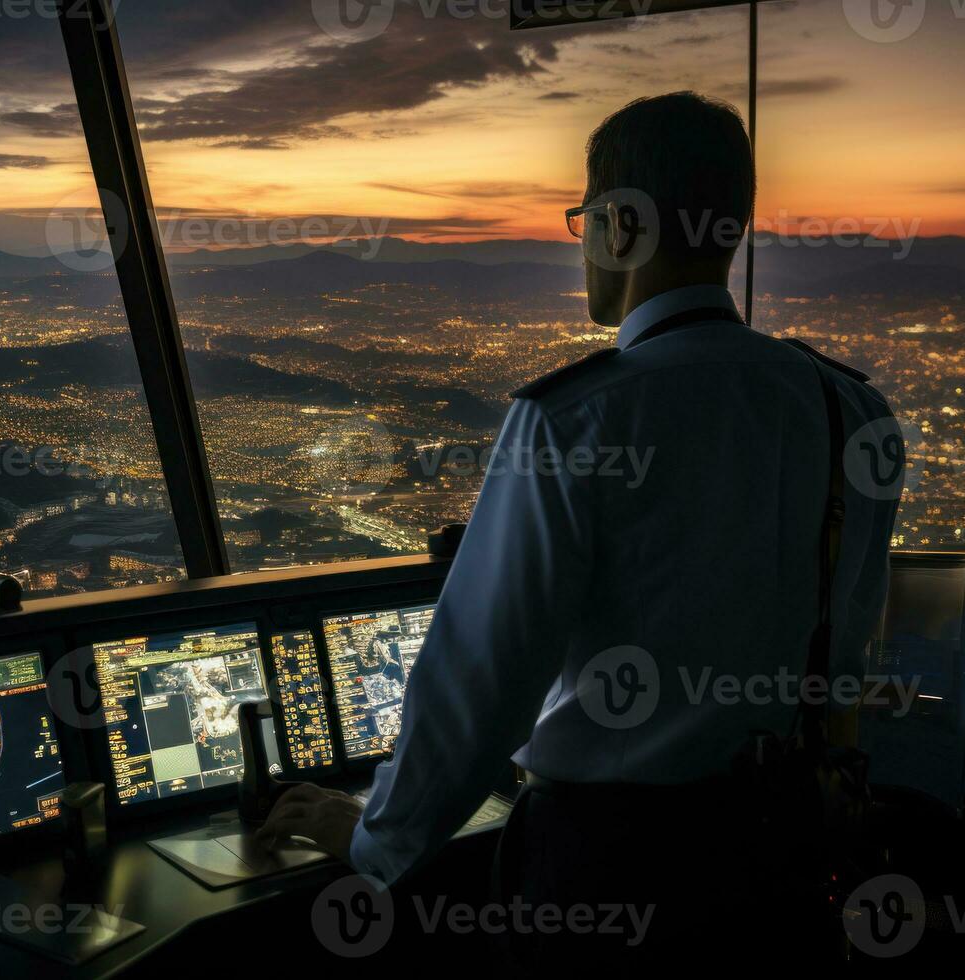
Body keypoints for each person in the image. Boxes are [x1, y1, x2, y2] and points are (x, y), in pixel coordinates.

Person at [257, 91, 902, 965]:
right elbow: (849, 655)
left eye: (585, 218)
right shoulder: (850, 410)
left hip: (613, 869)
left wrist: (374, 839)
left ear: (622, 224)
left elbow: (479, 678)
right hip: (789, 859)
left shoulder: (575, 419)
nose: (584, 245)